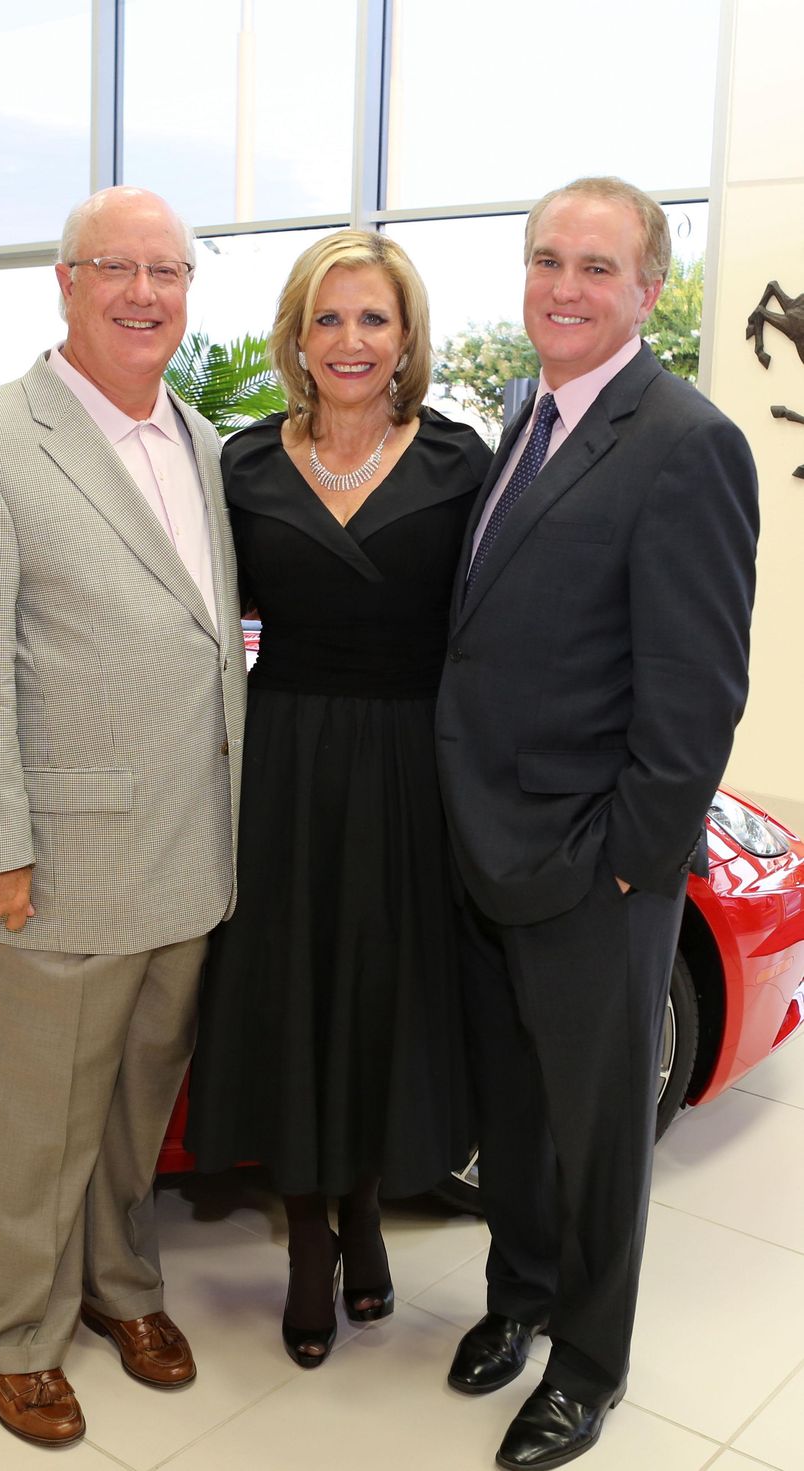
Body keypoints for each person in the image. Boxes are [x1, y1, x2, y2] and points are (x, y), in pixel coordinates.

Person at [0, 186, 246, 1448]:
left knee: (134, 1113)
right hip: (51, 873)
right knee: (34, 1127)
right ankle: (18, 1337)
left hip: (184, 862)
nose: (144, 293)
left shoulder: (202, 442)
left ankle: (121, 1290)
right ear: (64, 281)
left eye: (167, 270)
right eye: (116, 268)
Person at [436, 176, 759, 1469]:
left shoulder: (686, 441)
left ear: (650, 289)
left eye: (595, 266)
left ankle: (588, 1360)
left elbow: (696, 694)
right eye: (545, 259)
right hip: (487, 841)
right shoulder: (530, 411)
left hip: (590, 867)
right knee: (513, 1104)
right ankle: (518, 1295)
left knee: (601, 1126)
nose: (563, 285)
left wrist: (634, 867)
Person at [184, 231, 492, 1368]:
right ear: (296, 339)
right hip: (289, 763)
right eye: (328, 319)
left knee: (379, 998)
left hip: (411, 765)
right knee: (291, 999)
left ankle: (364, 1210)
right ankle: (310, 1246)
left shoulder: (464, 461)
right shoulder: (244, 465)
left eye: (372, 319)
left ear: (406, 336)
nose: (349, 341)